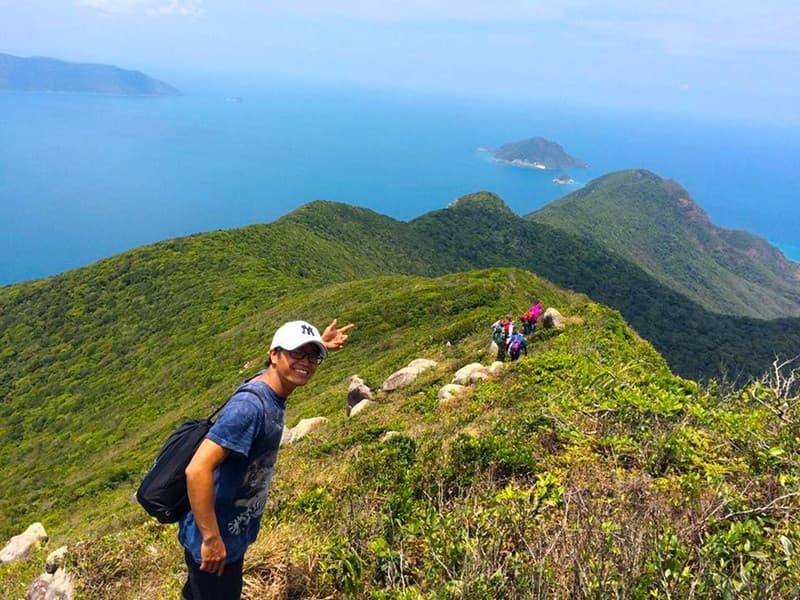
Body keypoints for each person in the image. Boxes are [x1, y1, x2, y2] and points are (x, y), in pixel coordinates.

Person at [179, 318, 354, 600]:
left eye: (313, 357)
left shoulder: (271, 384)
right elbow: (197, 469)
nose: (306, 363)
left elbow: (296, 363)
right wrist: (211, 540)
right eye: (297, 353)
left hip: (230, 533)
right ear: (274, 354)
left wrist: (319, 345)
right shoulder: (250, 408)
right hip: (214, 543)